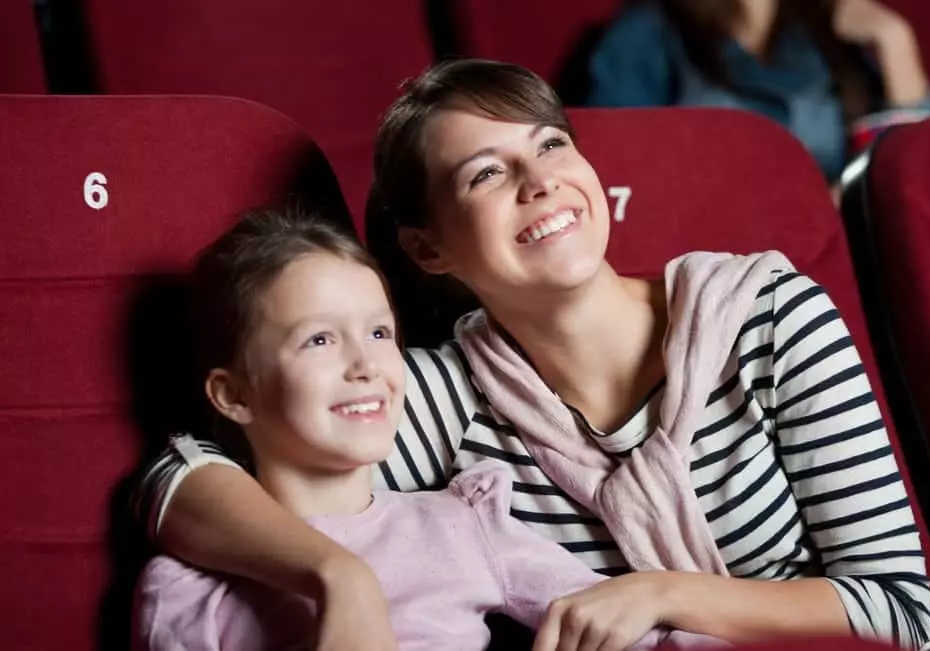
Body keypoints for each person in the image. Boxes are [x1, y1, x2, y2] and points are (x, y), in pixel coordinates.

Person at [134, 59, 930, 651]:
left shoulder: (766, 315)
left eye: (549, 145)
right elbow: (183, 472)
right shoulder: (436, 393)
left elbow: (898, 610)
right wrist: (336, 574)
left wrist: (660, 590)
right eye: (485, 174)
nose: (540, 181)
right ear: (429, 251)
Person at [133, 207, 716, 650]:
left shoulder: (460, 525)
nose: (365, 365)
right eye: (319, 339)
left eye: (380, 333)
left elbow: (644, 633)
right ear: (234, 395)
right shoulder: (188, 586)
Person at [586, 0, 930, 186]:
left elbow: (919, 175)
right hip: (718, 261)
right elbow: (618, 176)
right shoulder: (646, 35)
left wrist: (895, 41)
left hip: (843, 253)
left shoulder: (828, 28)